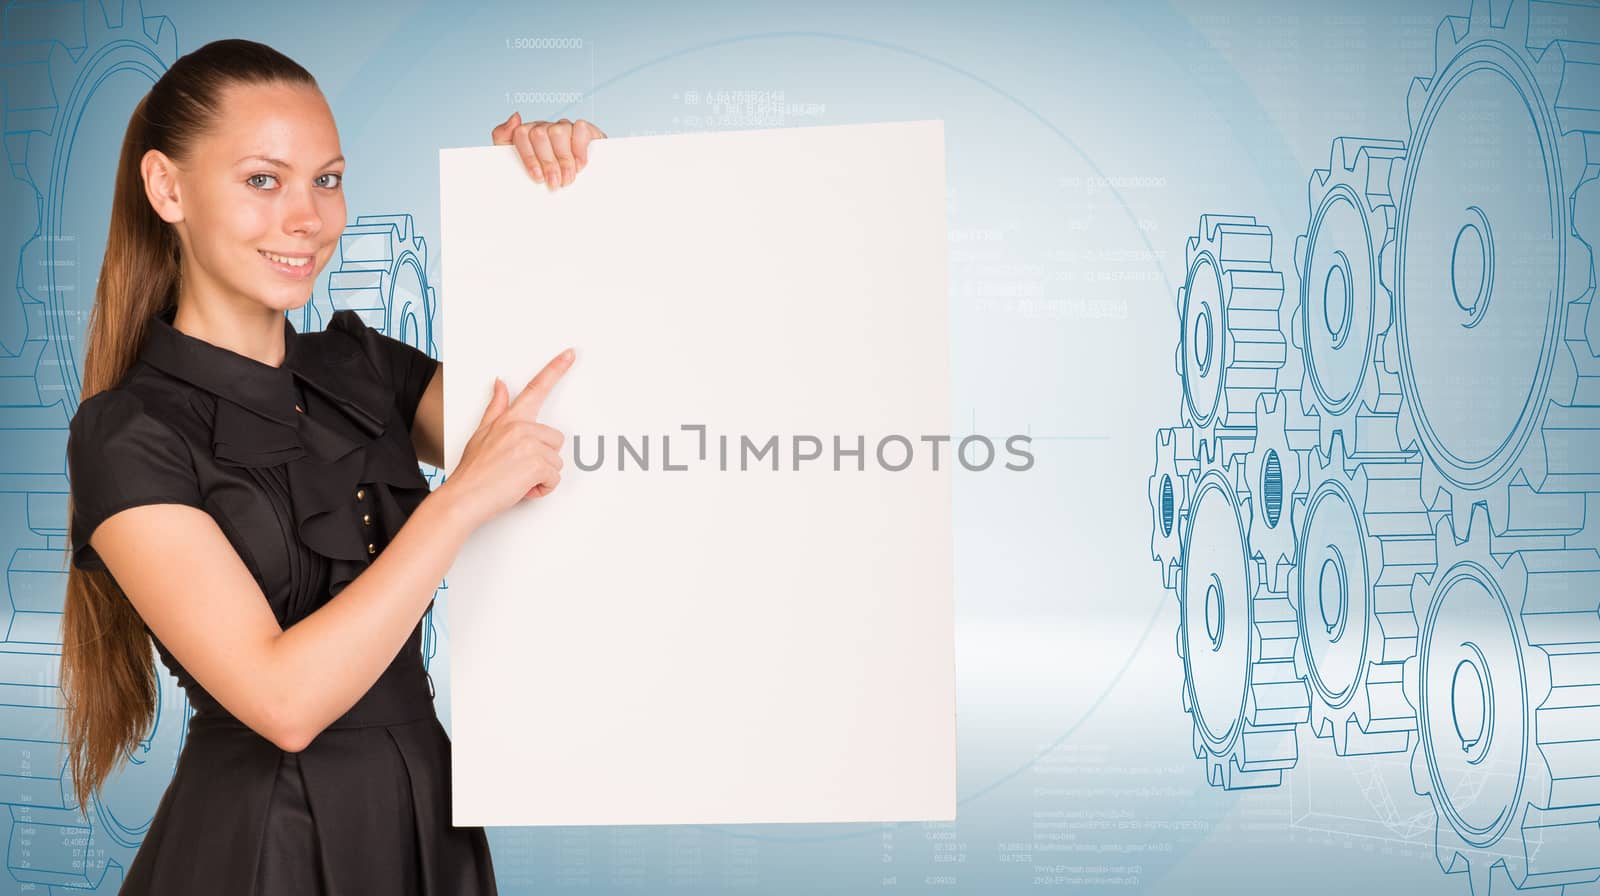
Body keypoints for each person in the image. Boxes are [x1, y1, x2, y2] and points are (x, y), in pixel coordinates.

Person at [57, 37, 604, 895]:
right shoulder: (127, 433)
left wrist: (537, 213)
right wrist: (454, 506)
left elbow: (559, 427)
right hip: (264, 846)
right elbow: (284, 704)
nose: (308, 217)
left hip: (430, 819)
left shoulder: (365, 370)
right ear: (167, 188)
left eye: (329, 178)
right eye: (263, 180)